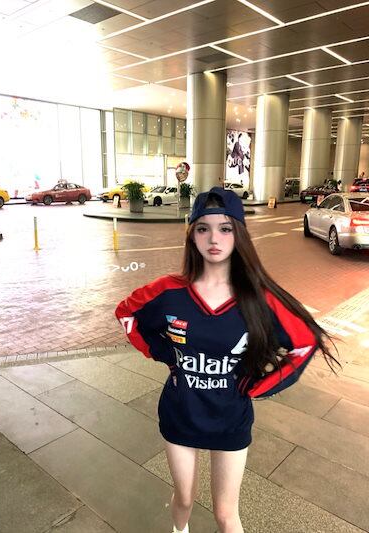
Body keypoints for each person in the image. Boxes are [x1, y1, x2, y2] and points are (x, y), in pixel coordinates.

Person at [115, 187, 338, 533]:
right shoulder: (169, 292)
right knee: (184, 498)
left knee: (225, 514)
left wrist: (260, 386)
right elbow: (127, 313)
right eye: (203, 228)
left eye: (225, 228)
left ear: (240, 235)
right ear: (192, 235)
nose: (214, 238)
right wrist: (164, 353)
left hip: (230, 419)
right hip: (181, 413)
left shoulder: (259, 299)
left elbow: (305, 343)